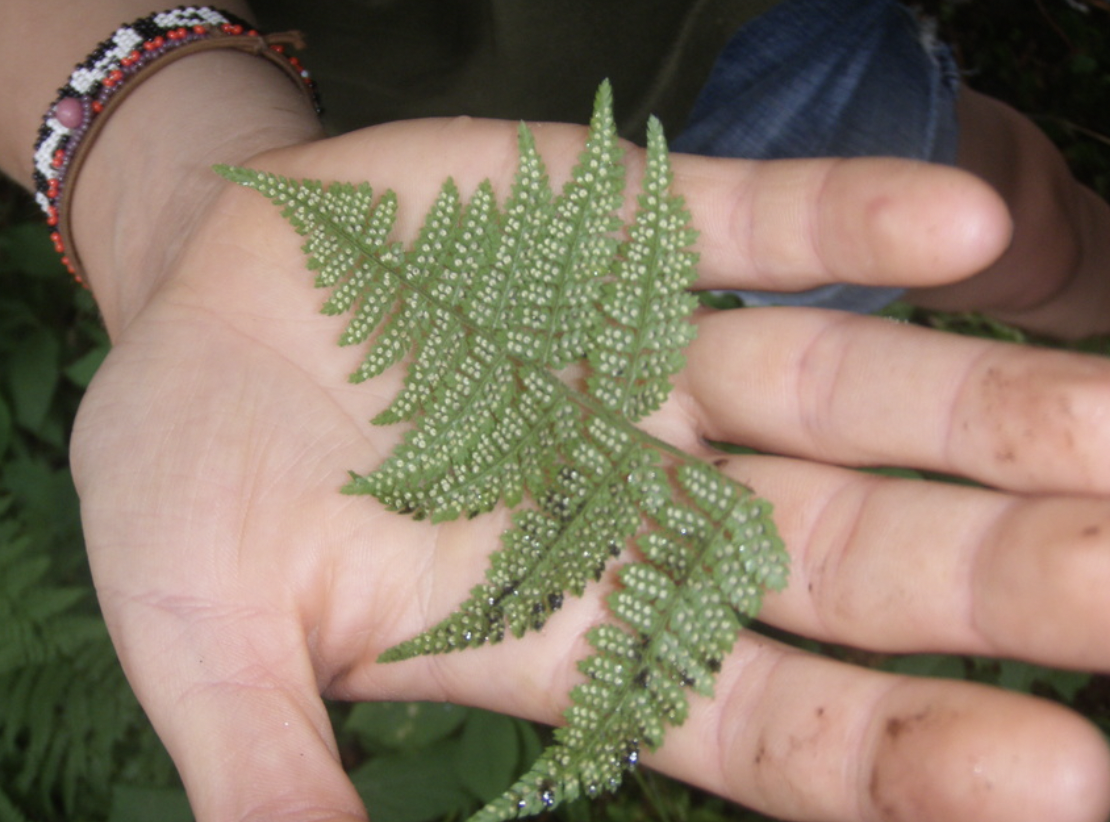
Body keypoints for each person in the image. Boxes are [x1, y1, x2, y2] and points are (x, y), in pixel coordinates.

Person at [1, 2, 1110, 822]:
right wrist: (175, 191)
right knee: (955, 214)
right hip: (393, 102)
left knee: (1008, 211)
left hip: (704, 33)